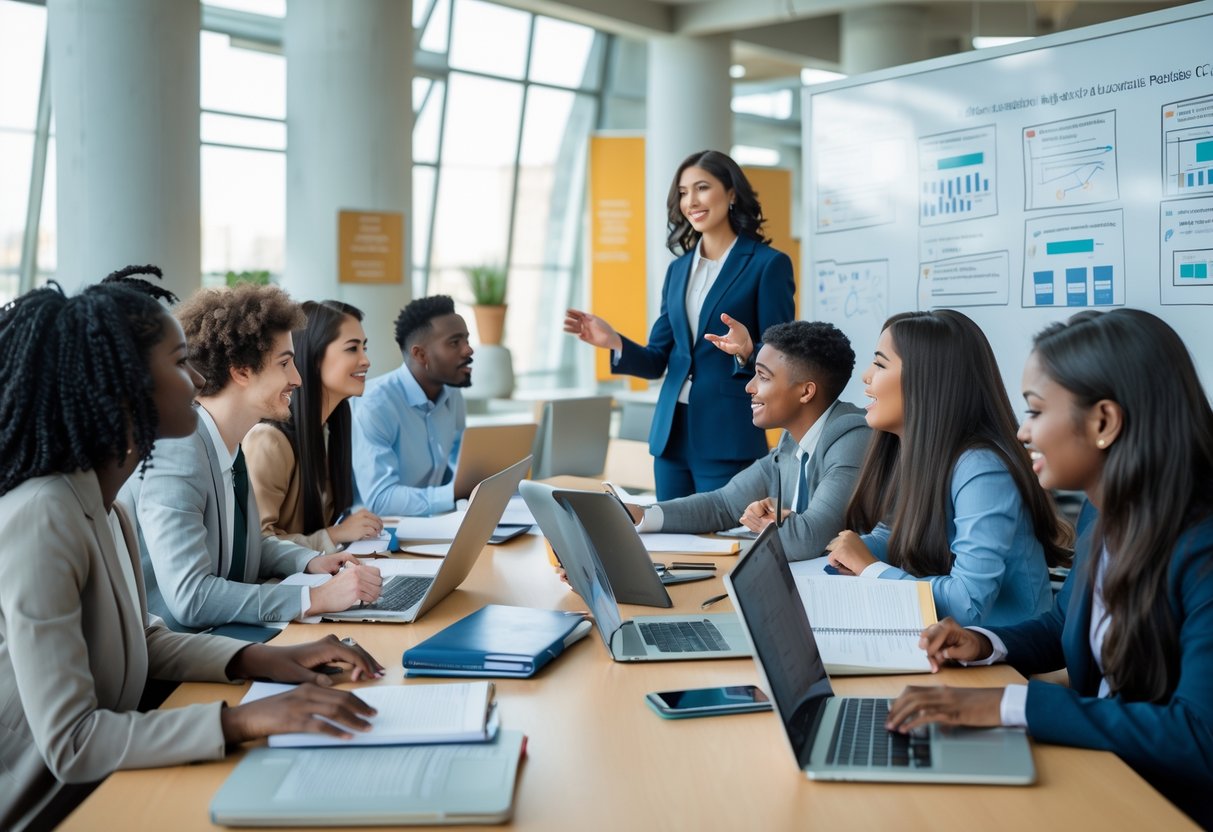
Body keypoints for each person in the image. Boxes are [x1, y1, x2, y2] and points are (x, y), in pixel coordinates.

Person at [0, 270, 383, 832]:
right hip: (53, 808)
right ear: (125, 387)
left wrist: (260, 660)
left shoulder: (103, 504)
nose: (197, 378)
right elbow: (73, 741)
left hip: (112, 778)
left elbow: (141, 635)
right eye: (179, 363)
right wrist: (243, 720)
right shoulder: (43, 515)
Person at [887, 310, 1213, 829]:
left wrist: (1012, 705)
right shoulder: (1103, 510)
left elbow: (1199, 736)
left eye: (1036, 411)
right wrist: (983, 641)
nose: (1021, 431)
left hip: (1164, 803)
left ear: (1104, 422)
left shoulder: (1201, 547)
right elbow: (1066, 624)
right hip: (1102, 767)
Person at [121, 284, 382, 632]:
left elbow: (248, 546)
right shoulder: (178, 450)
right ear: (242, 371)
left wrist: (312, 563)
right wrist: (313, 599)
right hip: (179, 663)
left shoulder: (228, 443)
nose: (297, 379)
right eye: (285, 363)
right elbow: (191, 598)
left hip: (223, 637)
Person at [564, 149, 795, 500]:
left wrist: (749, 350)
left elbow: (784, 357)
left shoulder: (767, 265)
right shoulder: (677, 270)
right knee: (669, 539)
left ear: (732, 193)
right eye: (683, 193)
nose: (691, 201)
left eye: (702, 188)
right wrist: (614, 343)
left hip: (727, 434)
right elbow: (658, 359)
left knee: (725, 544)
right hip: (671, 438)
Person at [825, 310, 1069, 627]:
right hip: (947, 640)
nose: (866, 376)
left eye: (881, 364)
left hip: (1004, 653)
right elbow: (895, 533)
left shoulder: (982, 468)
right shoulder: (916, 450)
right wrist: (849, 552)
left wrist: (870, 569)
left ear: (927, 381)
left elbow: (968, 603)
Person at [619, 321, 870, 558]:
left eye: (763, 376)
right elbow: (723, 504)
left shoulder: (851, 438)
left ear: (806, 392)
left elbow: (808, 540)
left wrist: (764, 524)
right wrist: (641, 515)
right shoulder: (792, 442)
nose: (750, 387)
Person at [244, 300, 383, 554]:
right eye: (352, 349)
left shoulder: (329, 431)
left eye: (364, 347)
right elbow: (257, 545)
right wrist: (335, 534)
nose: (366, 360)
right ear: (314, 356)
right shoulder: (269, 440)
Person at [351, 294, 473, 516]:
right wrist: (452, 494)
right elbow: (380, 499)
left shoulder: (452, 393)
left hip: (434, 523)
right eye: (455, 343)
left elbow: (458, 461)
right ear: (420, 354)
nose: (468, 350)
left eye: (467, 340)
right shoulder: (374, 404)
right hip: (380, 534)